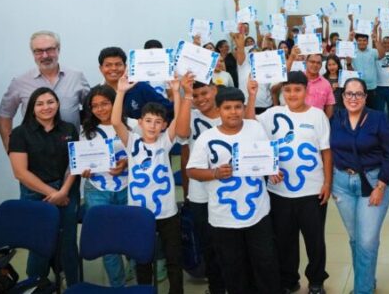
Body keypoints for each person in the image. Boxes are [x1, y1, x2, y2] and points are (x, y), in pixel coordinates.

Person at [186, 86, 282, 294]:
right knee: (233, 268)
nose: (233, 112)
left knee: (265, 262)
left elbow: (267, 159)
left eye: (238, 107)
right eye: (227, 107)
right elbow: (192, 171)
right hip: (223, 217)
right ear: (219, 110)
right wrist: (215, 174)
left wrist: (273, 171)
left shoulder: (254, 128)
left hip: (258, 212)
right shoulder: (206, 138)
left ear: (244, 108)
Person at [256, 72, 332, 294]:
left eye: (297, 90)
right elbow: (248, 124)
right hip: (279, 192)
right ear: (281, 93)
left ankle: (316, 281)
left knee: (315, 240)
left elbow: (326, 152)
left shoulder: (318, 116)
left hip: (312, 190)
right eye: (287, 90)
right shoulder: (272, 114)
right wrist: (252, 95)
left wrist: (327, 182)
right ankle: (289, 279)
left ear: (306, 91)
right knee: (284, 240)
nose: (292, 94)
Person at [112, 75, 184, 294]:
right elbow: (116, 121)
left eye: (158, 122)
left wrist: (176, 93)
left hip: (167, 212)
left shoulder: (165, 141)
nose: (153, 126)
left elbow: (178, 119)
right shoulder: (131, 141)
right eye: (148, 121)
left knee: (173, 258)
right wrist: (121, 91)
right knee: (143, 258)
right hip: (140, 212)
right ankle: (144, 290)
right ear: (140, 122)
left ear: (163, 126)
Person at [329, 77, 389, 294]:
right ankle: (366, 281)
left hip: (372, 182)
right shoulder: (336, 119)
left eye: (358, 94)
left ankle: (363, 290)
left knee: (367, 241)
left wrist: (382, 185)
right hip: (342, 184)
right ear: (343, 96)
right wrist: (330, 182)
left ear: (366, 97)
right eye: (349, 93)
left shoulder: (378, 118)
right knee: (355, 239)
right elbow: (328, 151)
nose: (353, 98)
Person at [8, 87, 80, 286]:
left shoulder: (68, 129)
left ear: (57, 104)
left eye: (50, 102)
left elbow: (74, 165)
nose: (46, 107)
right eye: (40, 103)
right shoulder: (20, 133)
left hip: (67, 190)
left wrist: (64, 191)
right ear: (32, 108)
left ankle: (74, 284)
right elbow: (20, 172)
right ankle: (35, 285)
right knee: (38, 243)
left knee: (68, 243)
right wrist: (53, 193)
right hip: (35, 194)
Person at [173, 78, 225, 294]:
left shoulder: (228, 112)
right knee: (208, 243)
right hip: (199, 191)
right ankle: (216, 287)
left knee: (229, 241)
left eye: (205, 93)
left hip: (228, 189)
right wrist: (186, 192)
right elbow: (183, 141)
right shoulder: (190, 116)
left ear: (214, 90)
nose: (201, 99)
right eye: (195, 96)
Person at [0, 30, 89, 151]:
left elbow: (92, 109)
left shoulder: (76, 76)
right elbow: (4, 115)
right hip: (35, 155)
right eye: (39, 51)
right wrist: (11, 148)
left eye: (50, 49)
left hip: (73, 151)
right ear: (33, 53)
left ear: (58, 50)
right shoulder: (20, 82)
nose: (45, 56)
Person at [80, 85, 132, 287]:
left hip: (127, 186)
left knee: (131, 235)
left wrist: (127, 162)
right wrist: (84, 169)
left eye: (105, 104)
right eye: (95, 106)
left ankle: (137, 278)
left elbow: (142, 153)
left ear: (115, 102)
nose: (100, 109)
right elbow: (82, 160)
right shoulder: (86, 131)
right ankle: (117, 285)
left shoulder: (131, 125)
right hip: (97, 190)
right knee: (108, 240)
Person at [97, 47, 174, 121]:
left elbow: (169, 110)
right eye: (108, 65)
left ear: (126, 67)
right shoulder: (96, 93)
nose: (113, 68)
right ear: (101, 69)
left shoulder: (141, 88)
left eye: (118, 64)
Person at [288, 48, 335, 117]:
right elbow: (283, 76)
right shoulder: (297, 78)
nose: (315, 65)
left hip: (317, 124)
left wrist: (325, 122)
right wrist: (291, 57)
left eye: (318, 63)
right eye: (312, 62)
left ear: (321, 65)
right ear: (306, 62)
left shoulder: (326, 84)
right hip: (296, 120)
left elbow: (329, 105)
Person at [349, 15, 380, 109]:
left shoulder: (373, 52)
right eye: (359, 40)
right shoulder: (352, 52)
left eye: (364, 40)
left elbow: (382, 54)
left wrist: (375, 30)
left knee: (372, 112)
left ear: (367, 41)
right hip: (358, 89)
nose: (362, 42)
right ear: (356, 41)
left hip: (372, 89)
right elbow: (344, 49)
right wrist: (351, 23)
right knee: (359, 111)